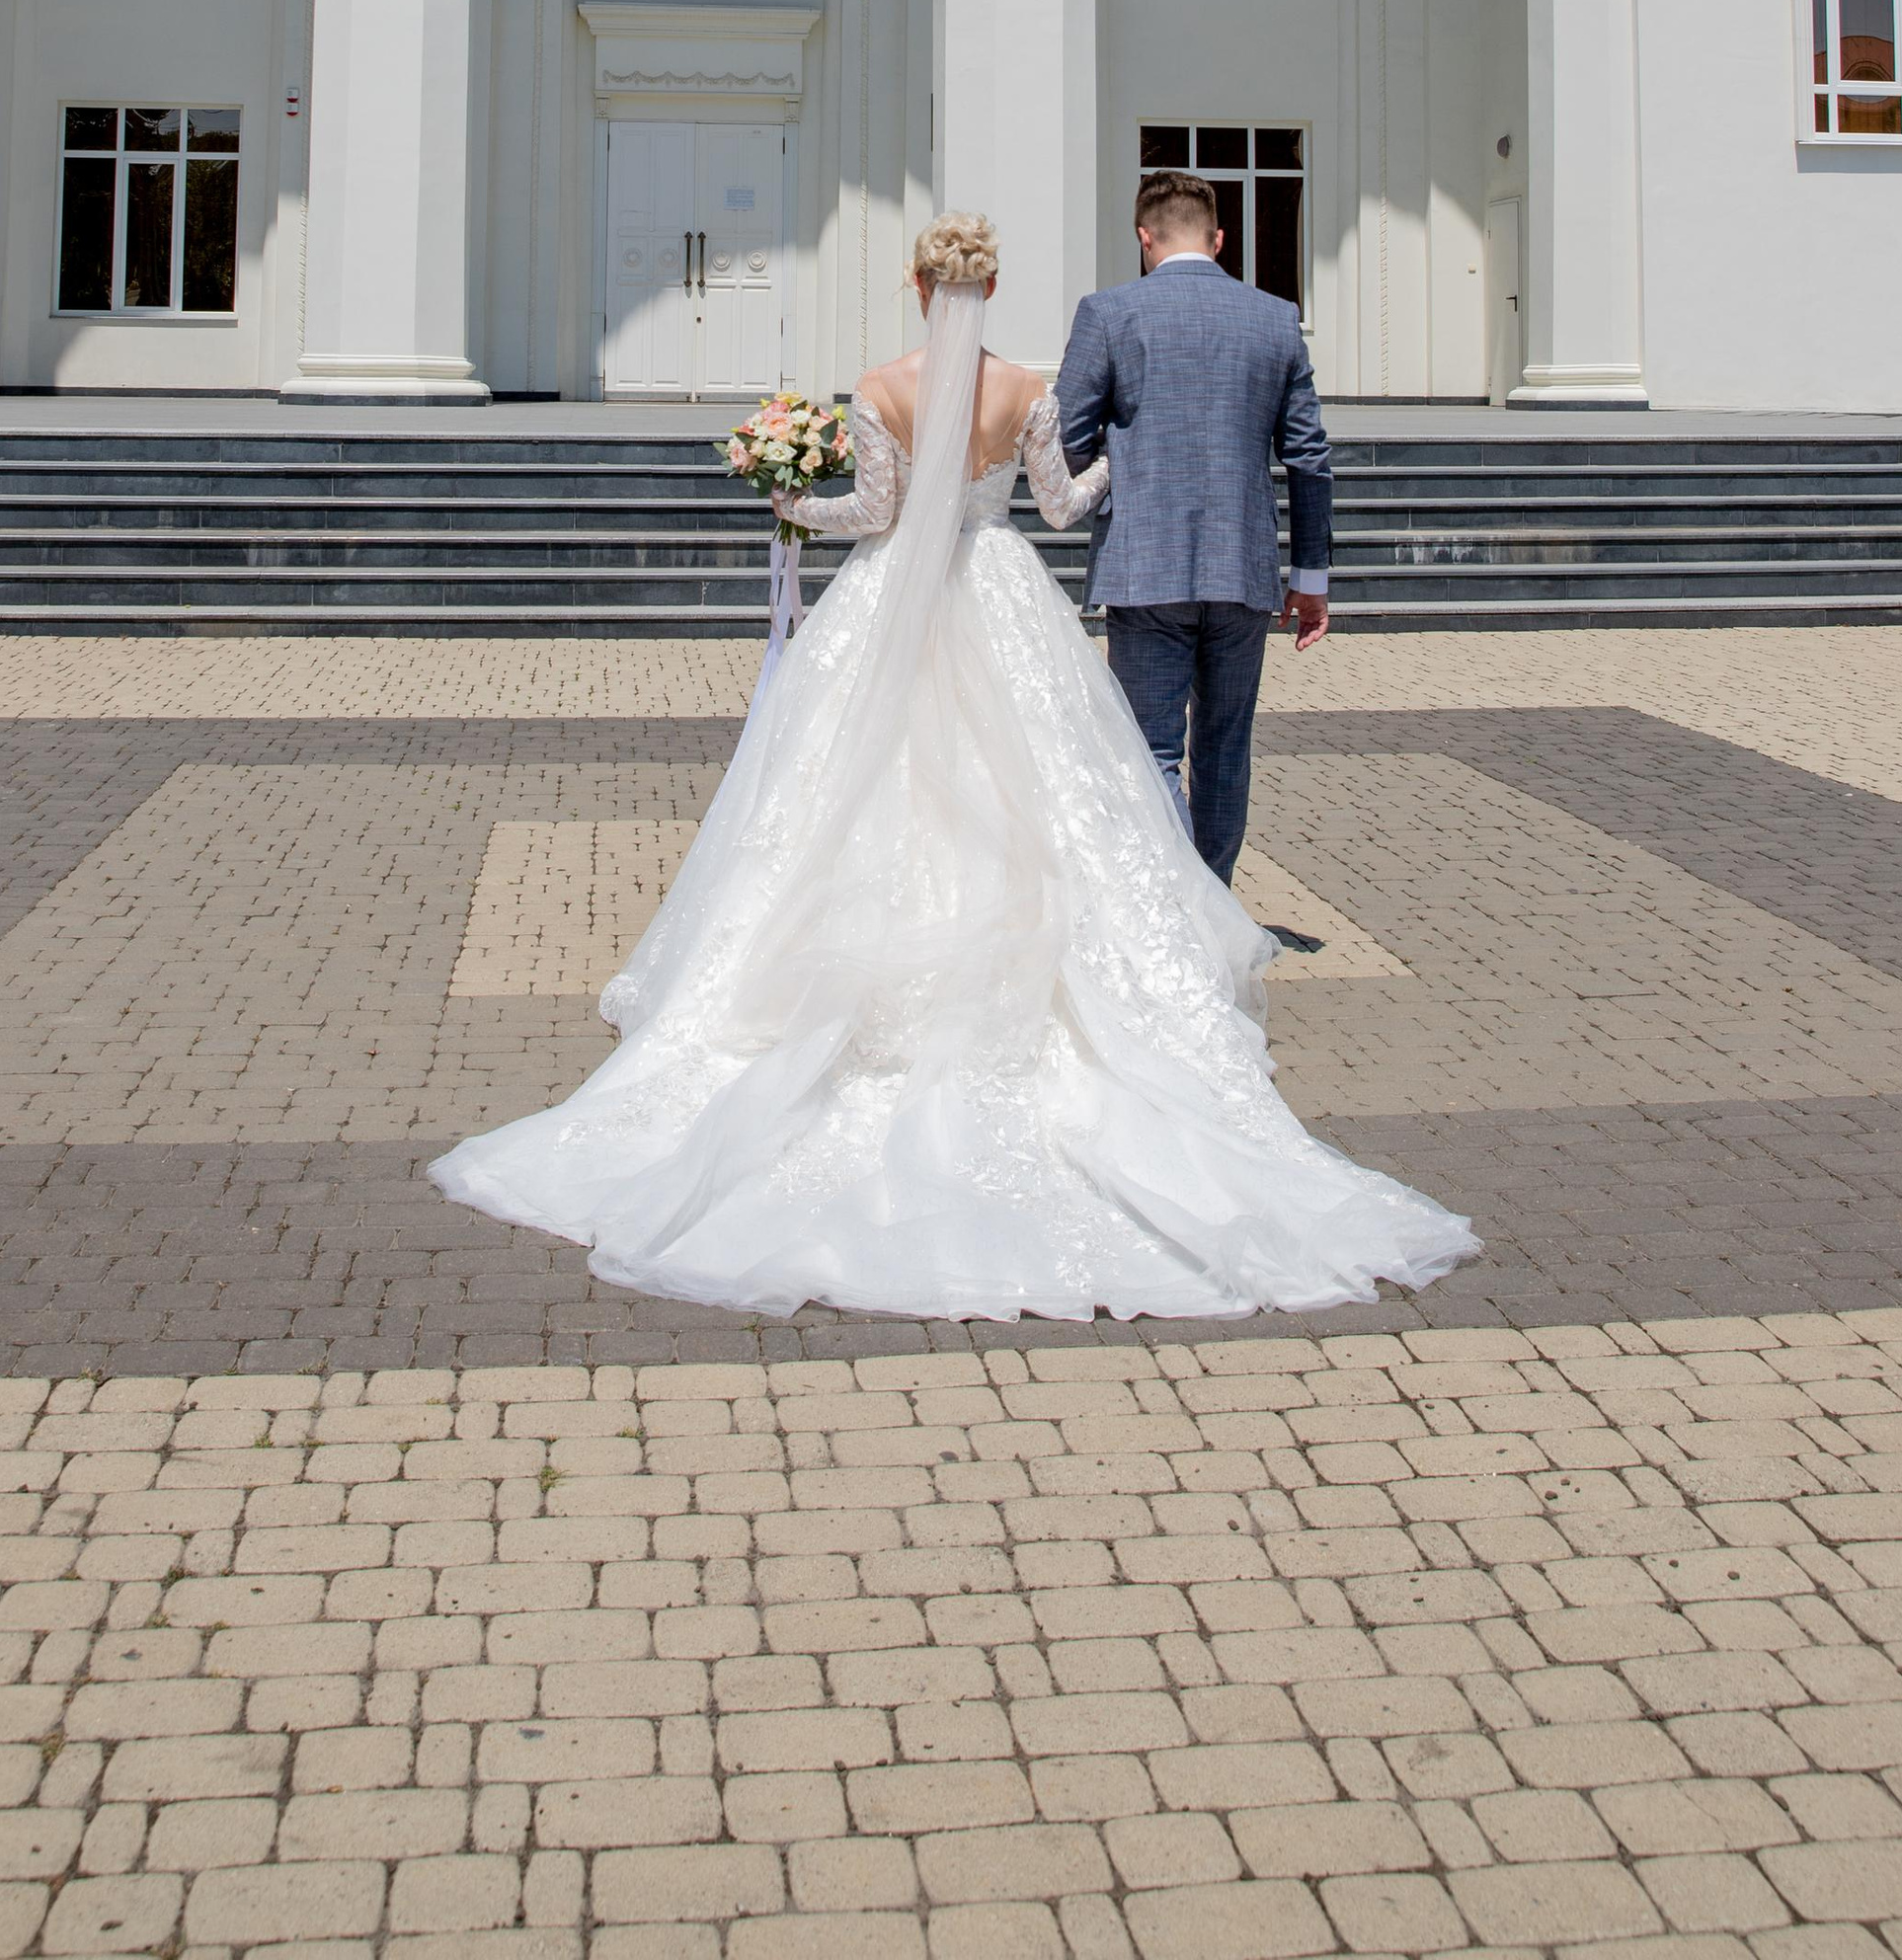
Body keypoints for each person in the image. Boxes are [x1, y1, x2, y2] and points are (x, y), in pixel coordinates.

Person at [429, 213, 1473, 1324]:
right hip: (1004, 591)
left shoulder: (878, 386)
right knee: (1062, 790)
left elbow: (875, 515)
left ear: (917, 282)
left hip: (894, 605)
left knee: (850, 789)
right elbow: (1065, 505)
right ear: (990, 281)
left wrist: (789, 502)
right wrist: (1127, 451)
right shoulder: (1023, 387)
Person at [1058, 167, 1332, 904]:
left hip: (1144, 564)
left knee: (1149, 749)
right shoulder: (1275, 317)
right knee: (1224, 747)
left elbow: (1068, 439)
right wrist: (1310, 579)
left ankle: (1179, 916)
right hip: (1244, 566)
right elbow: (1308, 456)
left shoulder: (1108, 313)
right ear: (1217, 238)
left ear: (1144, 238)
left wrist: (1125, 470)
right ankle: (1214, 907)